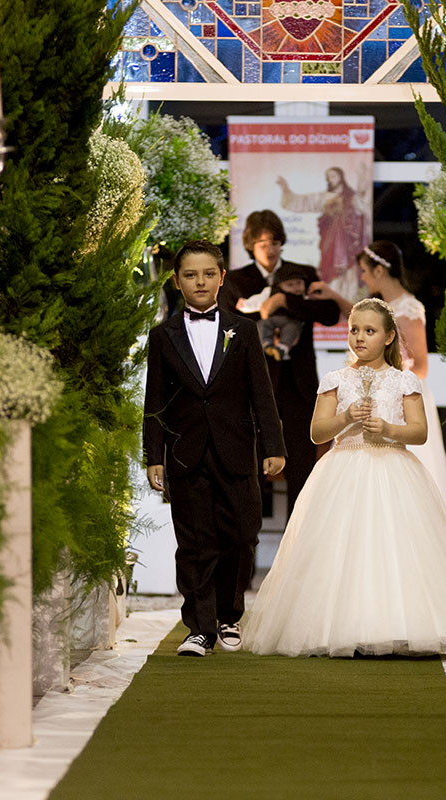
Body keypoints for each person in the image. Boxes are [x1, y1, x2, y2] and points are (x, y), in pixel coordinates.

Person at [243, 299, 446, 657]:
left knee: (393, 546)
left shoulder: (403, 380)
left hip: (392, 468)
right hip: (343, 469)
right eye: (354, 330)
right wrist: (346, 418)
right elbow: (317, 432)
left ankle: (400, 625)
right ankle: (343, 627)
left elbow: (420, 432)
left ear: (388, 337)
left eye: (369, 331)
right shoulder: (336, 379)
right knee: (344, 547)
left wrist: (387, 428)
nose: (359, 337)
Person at [144, 240, 286, 657]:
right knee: (194, 542)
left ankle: (229, 616)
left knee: (241, 535)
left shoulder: (243, 330)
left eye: (208, 274)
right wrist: (154, 456)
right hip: (185, 452)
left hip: (236, 449)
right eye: (190, 275)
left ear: (222, 278)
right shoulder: (163, 336)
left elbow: (262, 393)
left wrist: (273, 445)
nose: (200, 282)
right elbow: (155, 401)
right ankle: (200, 628)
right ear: (177, 282)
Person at [311, 241, 446, 547]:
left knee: (403, 487)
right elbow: (360, 318)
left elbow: (420, 366)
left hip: (397, 401)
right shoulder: (375, 313)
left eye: (365, 272)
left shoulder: (409, 307)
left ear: (380, 271)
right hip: (366, 402)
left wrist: (386, 380)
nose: (363, 278)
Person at [219, 210, 340, 516]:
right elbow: (226, 324)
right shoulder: (236, 280)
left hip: (298, 383)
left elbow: (329, 313)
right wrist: (262, 312)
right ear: (250, 245)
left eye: (274, 242)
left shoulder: (302, 273)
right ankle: (247, 536)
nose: (270, 250)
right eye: (262, 244)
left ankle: (299, 536)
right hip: (254, 385)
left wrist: (286, 301)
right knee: (253, 463)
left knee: (302, 463)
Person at [276, 166, 367, 293]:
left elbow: (362, 207)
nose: (331, 179)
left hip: (347, 243)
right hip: (329, 241)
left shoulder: (351, 197)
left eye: (333, 176)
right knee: (329, 270)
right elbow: (303, 202)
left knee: (348, 274)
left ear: (341, 177)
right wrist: (286, 190)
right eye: (328, 177)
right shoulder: (324, 197)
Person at [251, 264, 308, 361]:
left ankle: (282, 348)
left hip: (291, 321)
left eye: (299, 283)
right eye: (290, 285)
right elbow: (258, 301)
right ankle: (266, 344)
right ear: (280, 285)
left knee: (291, 329)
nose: (296, 288)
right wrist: (245, 304)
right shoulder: (271, 292)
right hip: (273, 319)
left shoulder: (305, 296)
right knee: (262, 324)